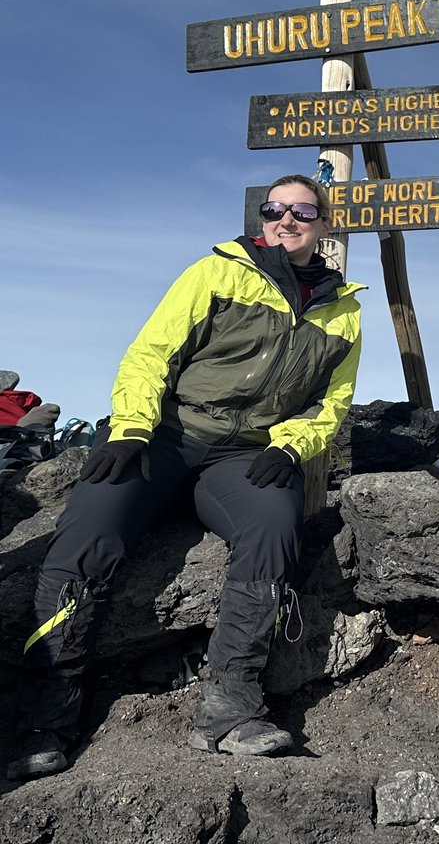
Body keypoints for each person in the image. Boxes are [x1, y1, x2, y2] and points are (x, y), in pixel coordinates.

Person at [7, 175, 363, 781]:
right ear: (263, 216)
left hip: (243, 457)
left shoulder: (344, 309)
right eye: (275, 208)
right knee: (88, 526)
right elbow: (151, 354)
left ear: (324, 226)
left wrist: (292, 446)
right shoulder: (217, 272)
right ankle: (48, 713)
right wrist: (130, 431)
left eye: (304, 211)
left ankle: (230, 708)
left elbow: (331, 402)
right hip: (166, 439)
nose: (287, 219)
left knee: (276, 526)